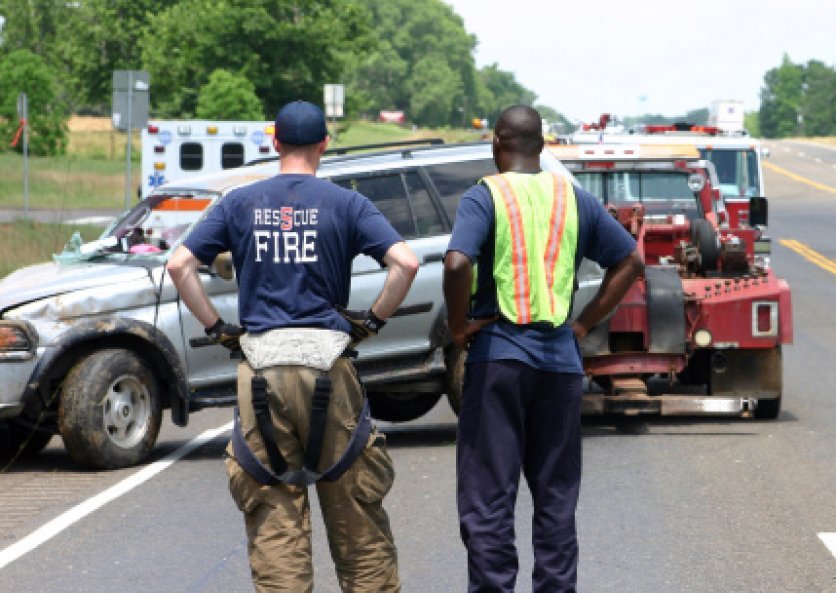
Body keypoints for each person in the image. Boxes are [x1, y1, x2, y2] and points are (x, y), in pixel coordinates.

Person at [167, 100, 418, 592]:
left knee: (275, 518)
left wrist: (219, 328)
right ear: (324, 144)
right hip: (329, 365)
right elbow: (405, 264)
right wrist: (371, 322)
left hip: (261, 369)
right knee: (357, 520)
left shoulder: (238, 203)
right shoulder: (347, 203)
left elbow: (179, 266)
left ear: (274, 143)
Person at [443, 105, 643, 593]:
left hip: (499, 359)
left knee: (490, 496)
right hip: (559, 363)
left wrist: (458, 326)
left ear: (496, 143)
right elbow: (631, 261)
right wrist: (583, 324)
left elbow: (454, 264)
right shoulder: (573, 197)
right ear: (542, 145)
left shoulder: (484, 195)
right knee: (555, 498)